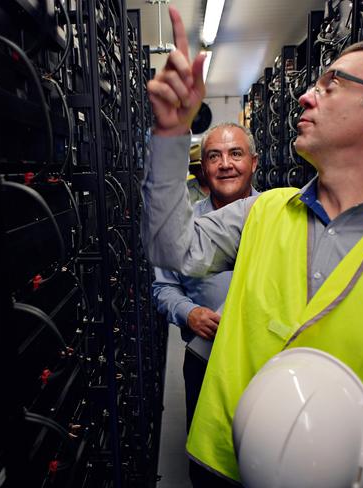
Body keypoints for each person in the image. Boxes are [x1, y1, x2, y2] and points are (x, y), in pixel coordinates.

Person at [142, 6, 363, 488]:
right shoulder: (263, 211)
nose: (306, 95)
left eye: (331, 85)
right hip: (225, 467)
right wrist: (170, 135)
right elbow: (169, 247)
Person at [152, 122, 258, 486]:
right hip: (205, 359)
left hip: (266, 364)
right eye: (215, 156)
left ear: (254, 163)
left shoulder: (279, 217)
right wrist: (189, 312)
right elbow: (162, 289)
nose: (225, 164)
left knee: (267, 454)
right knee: (208, 462)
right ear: (203, 168)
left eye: (236, 154)